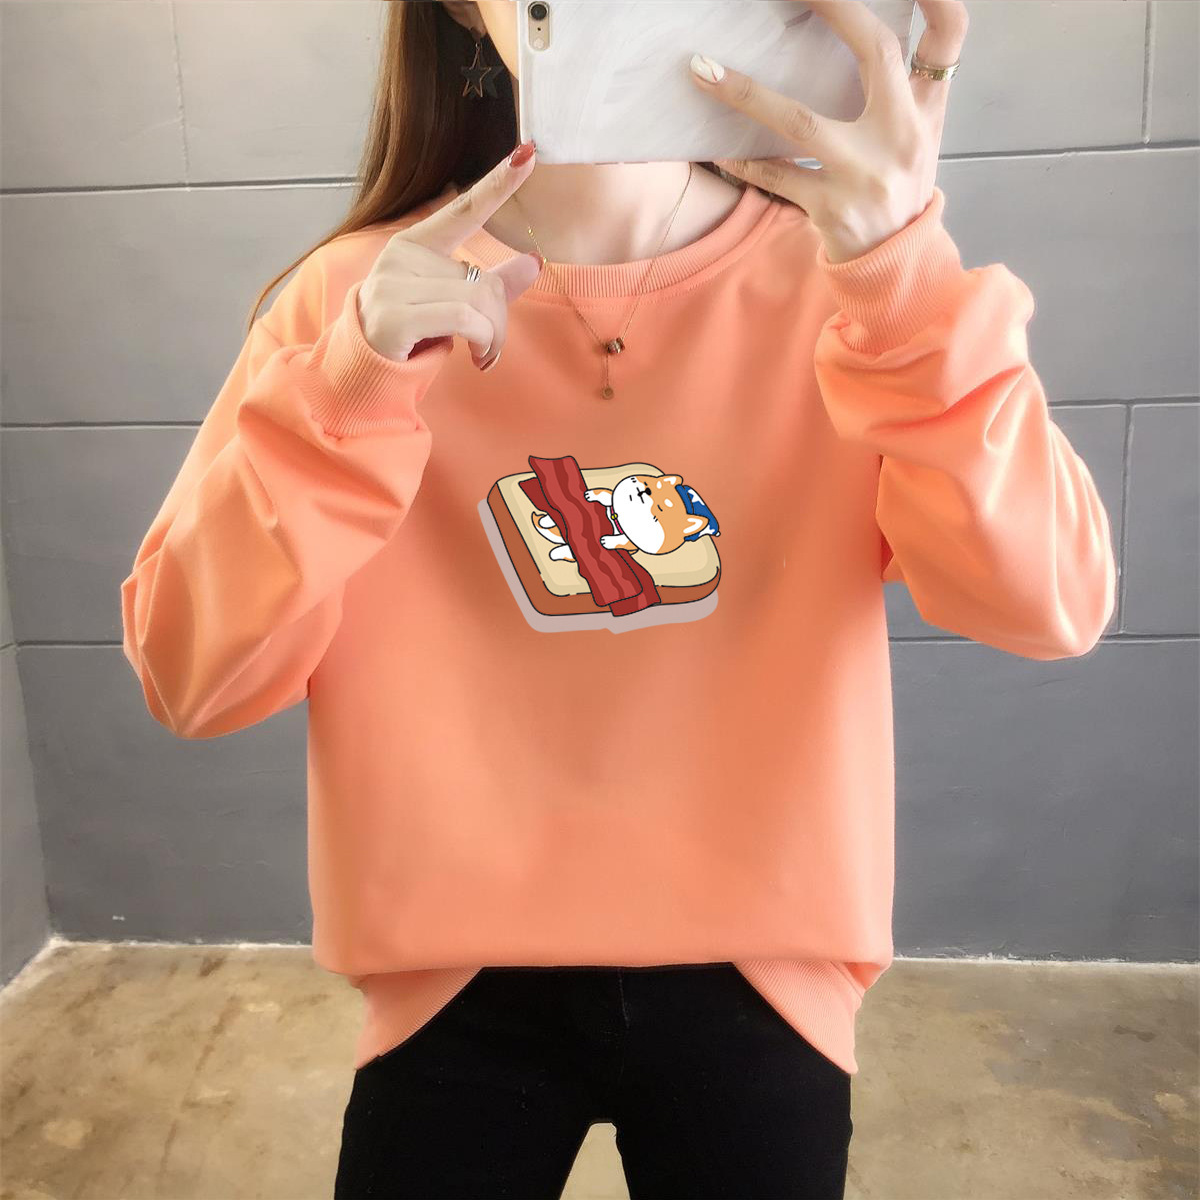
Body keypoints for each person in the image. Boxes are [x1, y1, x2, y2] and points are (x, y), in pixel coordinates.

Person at [118, 1, 1117, 1197]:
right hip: (451, 981)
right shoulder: (357, 302)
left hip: (764, 973)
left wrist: (904, 284)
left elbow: (1049, 603)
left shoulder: (847, 282)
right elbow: (189, 675)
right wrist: (347, 395)